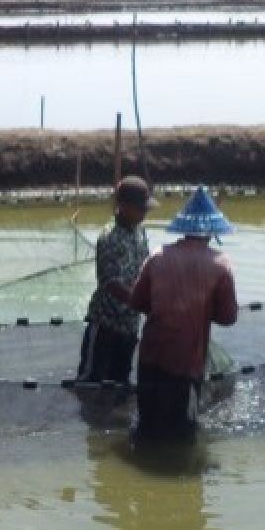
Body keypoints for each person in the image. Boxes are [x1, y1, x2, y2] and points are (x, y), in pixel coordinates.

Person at [129, 186, 238, 442]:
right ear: (212, 232)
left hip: (149, 359)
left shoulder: (157, 256)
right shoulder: (220, 264)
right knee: (181, 438)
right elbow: (228, 317)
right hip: (185, 366)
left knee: (146, 427)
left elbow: (136, 301)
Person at [77, 175, 156, 384]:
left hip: (129, 326)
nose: (144, 213)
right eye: (140, 209)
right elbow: (111, 283)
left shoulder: (140, 232)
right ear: (123, 206)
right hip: (106, 325)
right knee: (91, 382)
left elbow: (146, 268)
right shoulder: (109, 237)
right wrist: (142, 302)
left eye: (145, 209)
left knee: (120, 382)